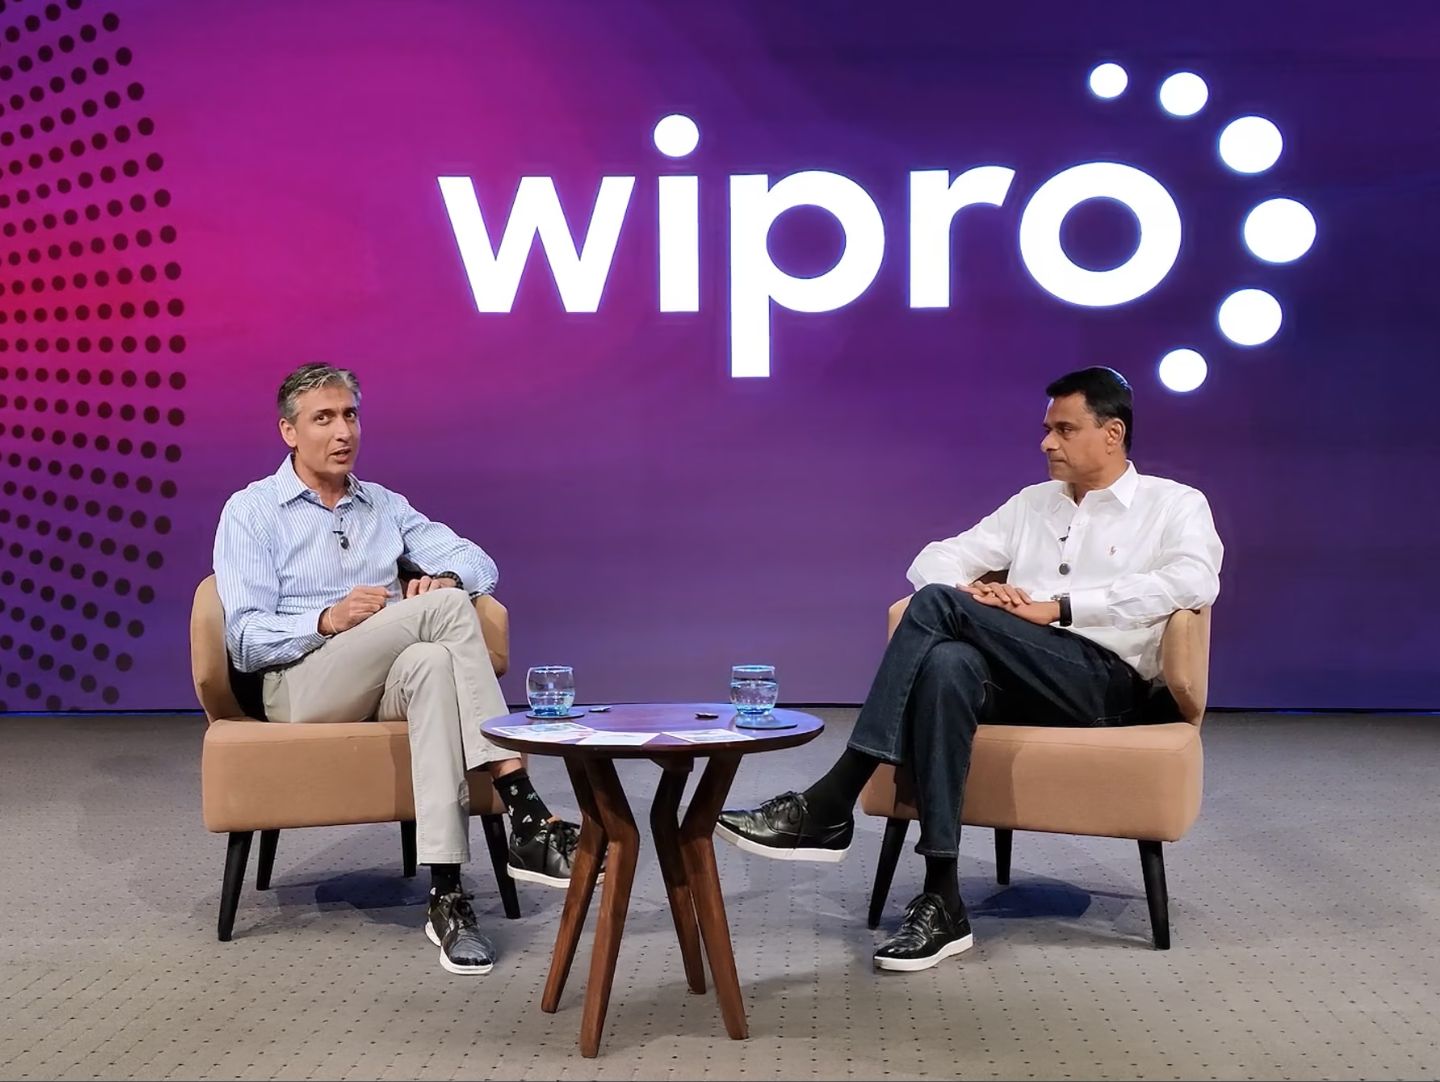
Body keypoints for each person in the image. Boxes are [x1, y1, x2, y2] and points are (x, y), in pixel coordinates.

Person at [716, 367, 1223, 972]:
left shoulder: (1174, 504)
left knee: (939, 610)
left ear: (1112, 433)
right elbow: (936, 557)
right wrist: (979, 596)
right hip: (1026, 677)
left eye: (1064, 429)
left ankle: (831, 801)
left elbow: (1193, 581)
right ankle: (943, 899)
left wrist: (1059, 607)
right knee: (948, 664)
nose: (1047, 443)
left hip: (1107, 686)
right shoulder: (1033, 504)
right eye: (1046, 429)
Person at [213, 362, 585, 977]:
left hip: (380, 680)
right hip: (299, 684)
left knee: (434, 660)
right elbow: (244, 639)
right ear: (289, 432)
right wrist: (325, 619)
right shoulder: (252, 511)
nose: (343, 432)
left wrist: (447, 576)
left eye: (350, 415)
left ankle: (447, 894)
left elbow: (479, 562)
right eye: (323, 418)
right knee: (444, 612)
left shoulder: (382, 505)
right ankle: (523, 805)